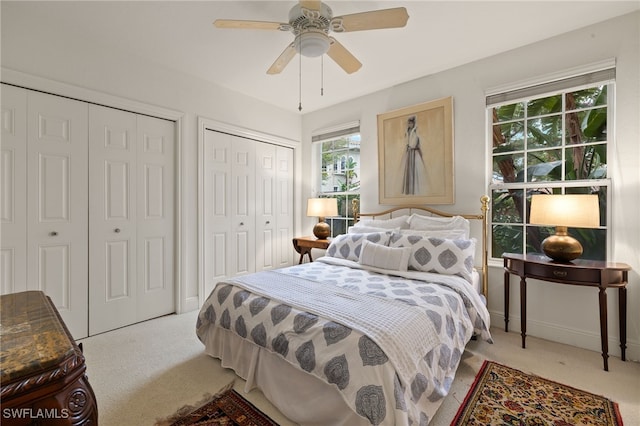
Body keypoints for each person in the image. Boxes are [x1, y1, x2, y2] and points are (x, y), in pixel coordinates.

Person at [401, 115, 424, 195]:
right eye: (408, 123)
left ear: (414, 123)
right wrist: (407, 146)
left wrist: (412, 146)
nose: (409, 125)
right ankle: (408, 190)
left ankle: (414, 190)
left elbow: (416, 141)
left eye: (411, 123)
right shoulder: (407, 131)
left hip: (414, 152)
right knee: (408, 170)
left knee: (415, 170)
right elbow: (405, 141)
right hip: (409, 152)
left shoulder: (416, 131)